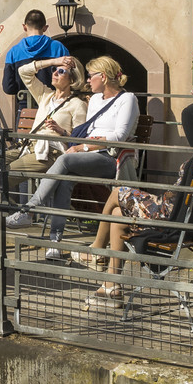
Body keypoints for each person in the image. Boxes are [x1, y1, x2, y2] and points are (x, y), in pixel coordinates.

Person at [86, 97, 193, 296]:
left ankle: (96, 251)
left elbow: (188, 115)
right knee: (118, 214)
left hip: (175, 217)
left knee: (118, 192)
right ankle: (111, 285)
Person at [9, 55, 140, 257]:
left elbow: (119, 137)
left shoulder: (127, 99)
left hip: (113, 158)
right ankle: (55, 242)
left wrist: (83, 147)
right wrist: (75, 140)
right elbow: (87, 132)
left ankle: (30, 209)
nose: (87, 81)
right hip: (91, 155)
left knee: (65, 160)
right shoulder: (95, 99)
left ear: (103, 77)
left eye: (90, 76)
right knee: (64, 180)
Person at [0, 8, 68, 106]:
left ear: (24, 27)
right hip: (52, 105)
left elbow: (8, 88)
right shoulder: (59, 48)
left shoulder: (13, 52)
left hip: (25, 108)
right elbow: (69, 77)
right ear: (45, 28)